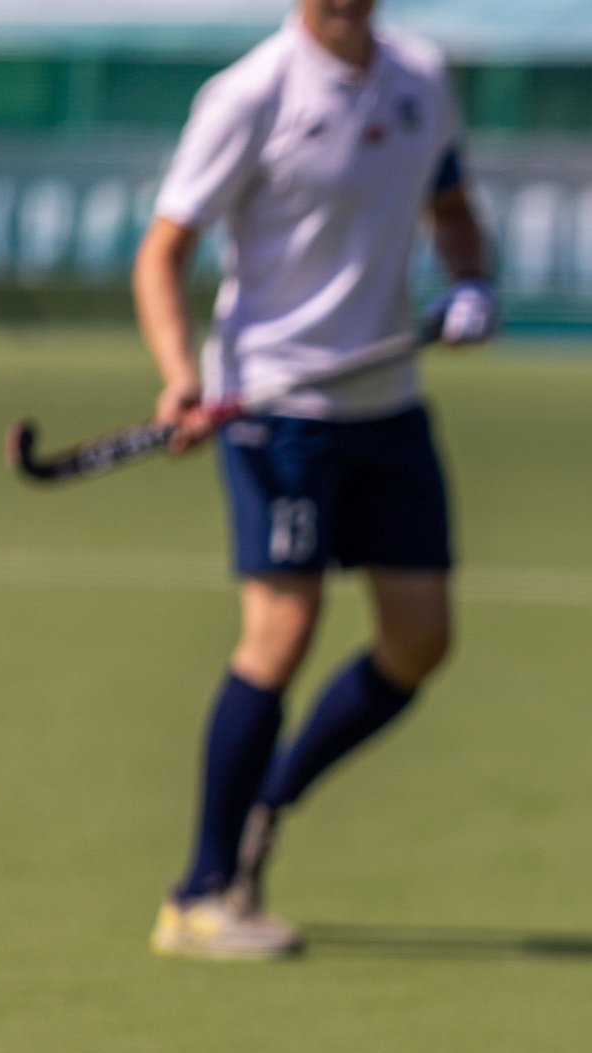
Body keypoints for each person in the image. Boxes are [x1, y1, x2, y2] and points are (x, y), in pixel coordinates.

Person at [134, 0, 496, 959]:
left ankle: (268, 800)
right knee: (282, 629)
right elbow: (162, 252)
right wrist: (180, 378)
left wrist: (471, 282)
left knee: (420, 640)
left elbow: (452, 208)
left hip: (387, 402)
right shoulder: (250, 94)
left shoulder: (421, 77)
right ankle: (199, 893)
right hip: (275, 409)